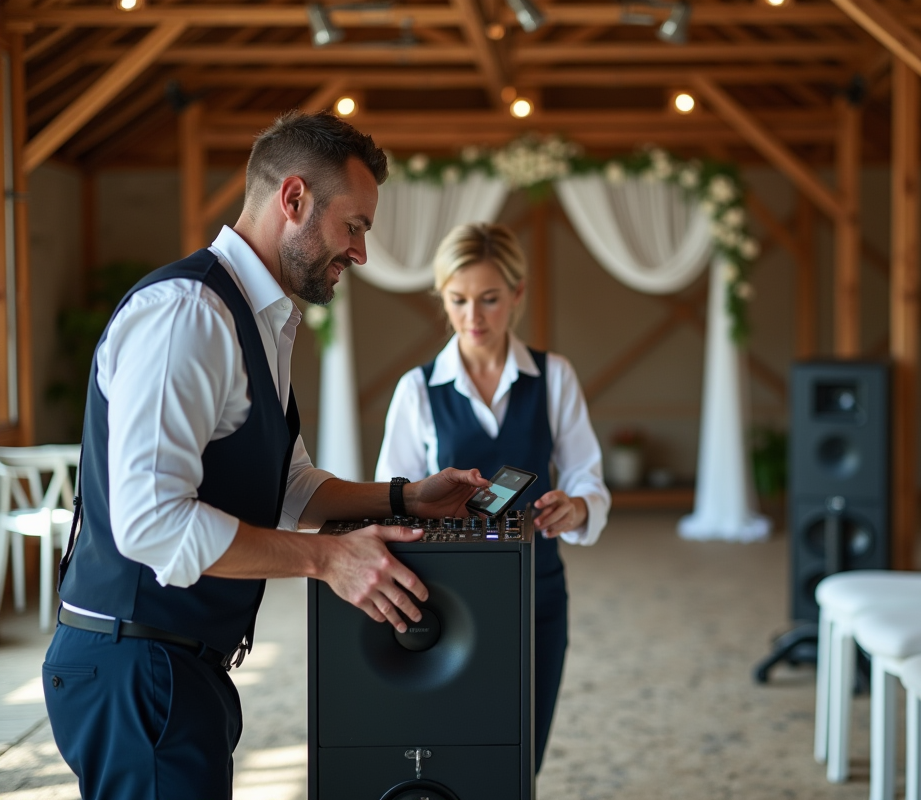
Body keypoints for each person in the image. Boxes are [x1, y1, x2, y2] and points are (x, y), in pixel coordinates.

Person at [44, 111, 490, 800]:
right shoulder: (190, 314)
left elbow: (288, 486)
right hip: (138, 667)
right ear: (294, 199)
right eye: (355, 226)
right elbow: (151, 523)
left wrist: (405, 496)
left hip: (176, 667)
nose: (360, 253)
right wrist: (328, 560)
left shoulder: (255, 319)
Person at [376, 222, 611, 773]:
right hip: (448, 599)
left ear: (517, 293)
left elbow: (588, 478)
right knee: (457, 756)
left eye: (489, 299)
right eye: (457, 300)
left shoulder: (555, 377)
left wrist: (577, 507)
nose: (473, 317)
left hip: (537, 592)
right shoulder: (416, 389)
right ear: (442, 297)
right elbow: (390, 501)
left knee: (523, 758)